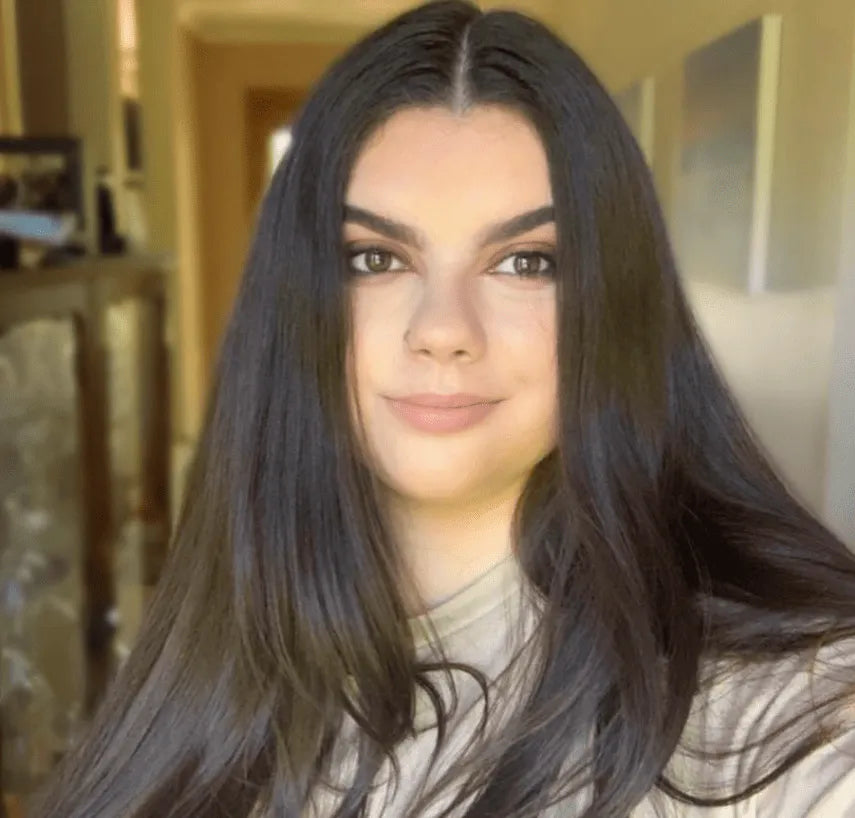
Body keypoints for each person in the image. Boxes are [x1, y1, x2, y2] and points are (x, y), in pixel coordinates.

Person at [30, 2, 855, 816]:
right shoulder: (216, 656)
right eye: (375, 257)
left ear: (613, 304)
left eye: (526, 262)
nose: (443, 331)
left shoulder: (782, 708)